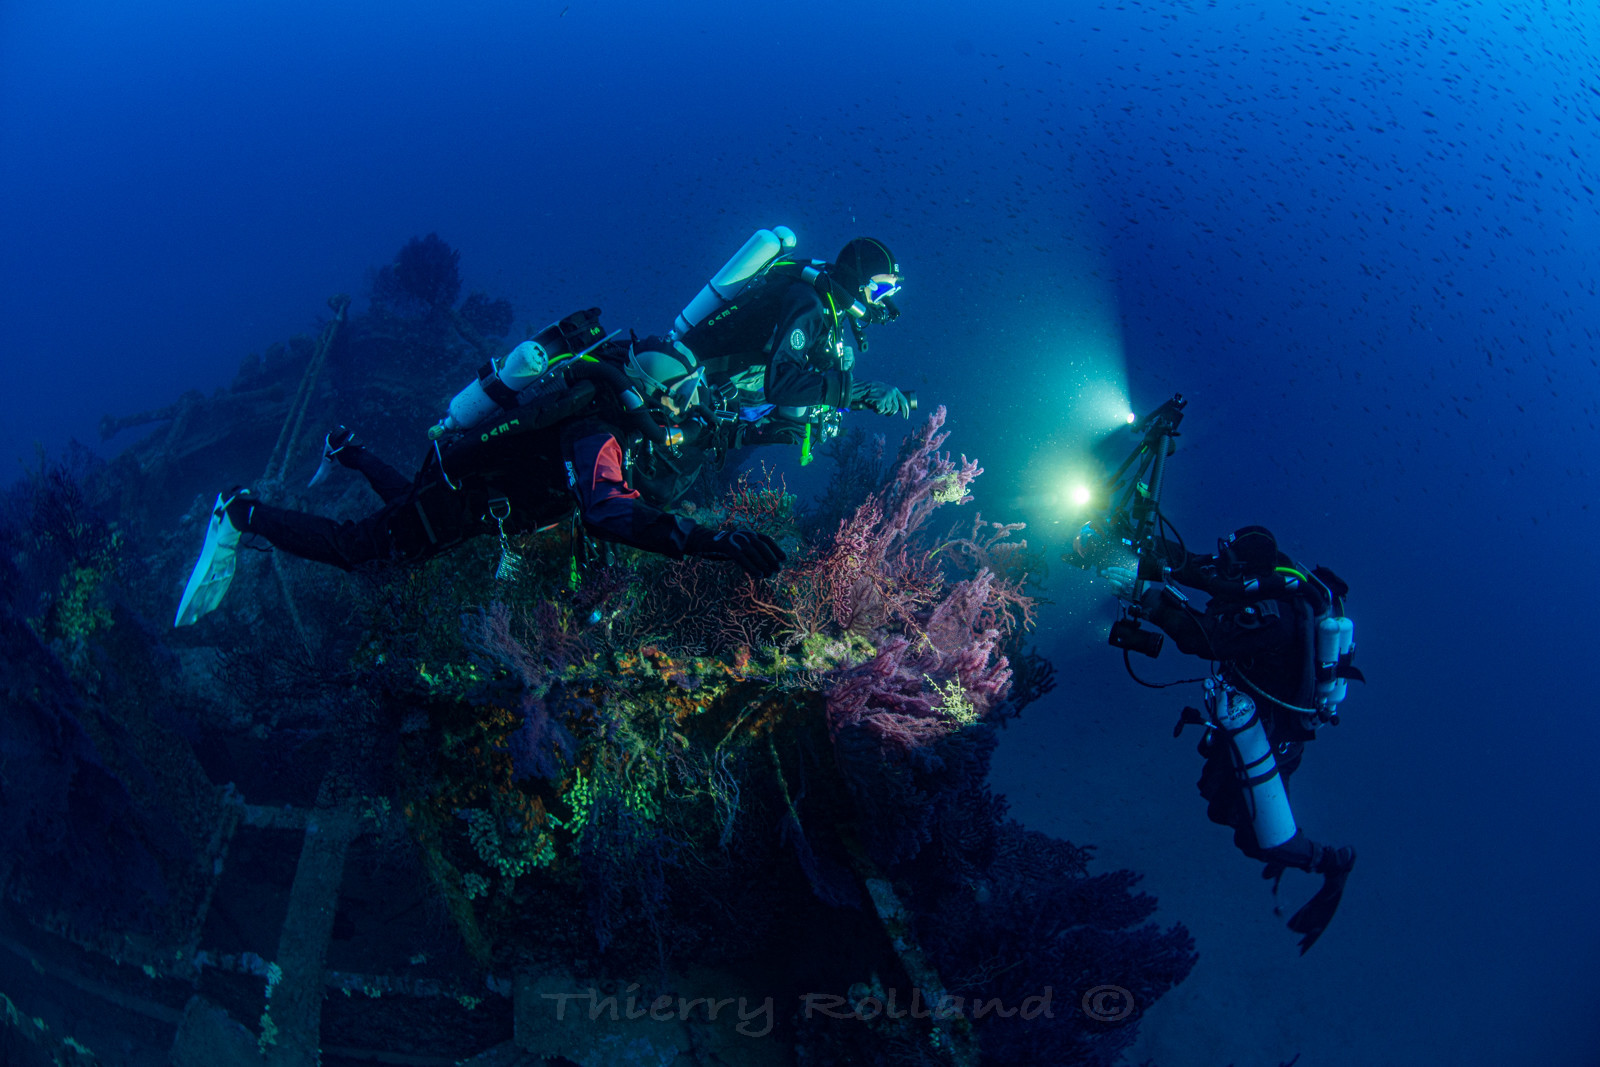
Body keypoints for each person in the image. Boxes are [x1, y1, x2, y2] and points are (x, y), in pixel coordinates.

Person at [174, 335, 785, 627]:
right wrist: (712, 541)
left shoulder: (597, 419)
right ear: (650, 393)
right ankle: (240, 513)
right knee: (360, 550)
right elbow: (605, 510)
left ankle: (349, 451)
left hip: (458, 487)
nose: (685, 410)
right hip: (459, 501)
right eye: (681, 399)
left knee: (408, 513)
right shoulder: (597, 432)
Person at [1091, 524, 1360, 954]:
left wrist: (1145, 596)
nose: (1222, 570)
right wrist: (1132, 538)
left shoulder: (1275, 613)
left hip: (1273, 737)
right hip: (1249, 717)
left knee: (1258, 840)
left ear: (1249, 566)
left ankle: (1332, 864)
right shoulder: (1262, 572)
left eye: (1230, 564)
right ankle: (1287, 851)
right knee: (1223, 810)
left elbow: (1204, 639)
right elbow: (1196, 568)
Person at [672, 236, 915, 450]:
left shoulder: (831, 307)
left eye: (892, 291)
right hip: (690, 386)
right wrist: (866, 390)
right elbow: (781, 384)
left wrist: (853, 390)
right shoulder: (808, 302)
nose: (884, 302)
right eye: (882, 288)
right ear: (858, 281)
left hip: (723, 391)